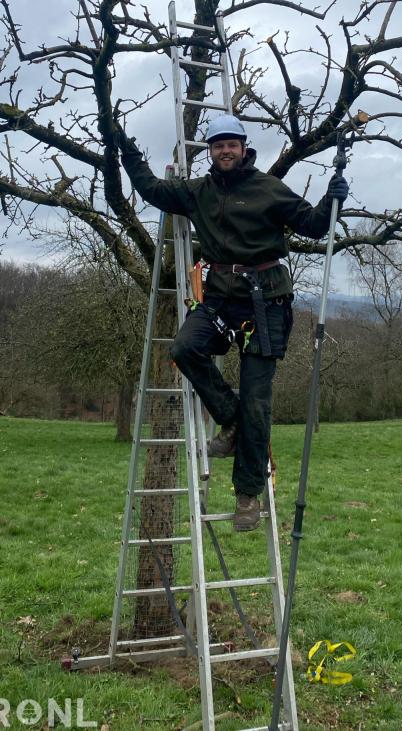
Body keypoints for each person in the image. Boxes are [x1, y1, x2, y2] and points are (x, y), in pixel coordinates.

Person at [117, 114, 349, 532]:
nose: (225, 150)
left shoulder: (268, 189)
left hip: (265, 302)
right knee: (185, 348)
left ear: (244, 148)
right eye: (218, 145)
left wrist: (333, 200)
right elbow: (152, 189)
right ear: (211, 151)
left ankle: (247, 495)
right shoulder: (199, 192)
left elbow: (314, 226)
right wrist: (126, 148)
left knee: (258, 401)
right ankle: (231, 415)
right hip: (221, 298)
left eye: (231, 144)